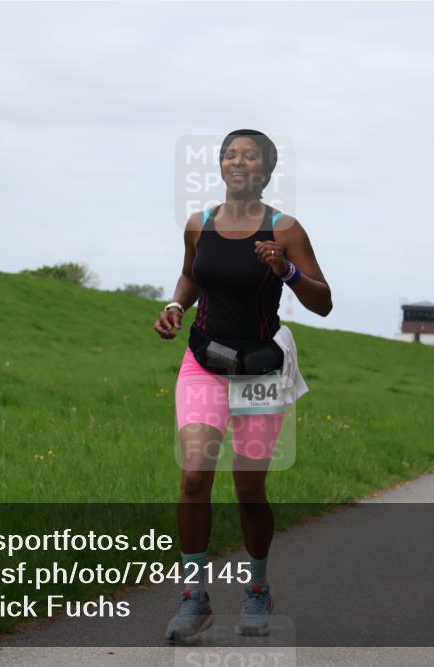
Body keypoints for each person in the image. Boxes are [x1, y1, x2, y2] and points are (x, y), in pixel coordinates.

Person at [154, 129, 332, 642]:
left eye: (250, 155)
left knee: (249, 488)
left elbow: (323, 301)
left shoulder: (287, 228)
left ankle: (257, 589)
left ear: (267, 170)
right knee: (193, 477)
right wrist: (173, 306)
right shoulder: (199, 225)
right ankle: (194, 598)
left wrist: (287, 270)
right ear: (220, 165)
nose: (238, 162)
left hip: (259, 371)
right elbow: (192, 276)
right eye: (230, 154)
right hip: (204, 362)